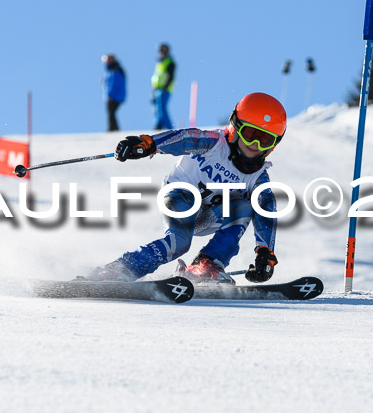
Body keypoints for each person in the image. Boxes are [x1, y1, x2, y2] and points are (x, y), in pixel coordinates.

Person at [90, 92, 286, 284]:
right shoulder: (214, 143)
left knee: (244, 206)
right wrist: (150, 144)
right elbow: (184, 138)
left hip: (208, 216)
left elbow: (266, 211)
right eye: (250, 134)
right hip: (180, 197)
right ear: (236, 128)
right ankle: (119, 269)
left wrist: (265, 253)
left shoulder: (258, 177)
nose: (255, 144)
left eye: (265, 140)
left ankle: (206, 265)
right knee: (179, 243)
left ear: (273, 145)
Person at [151, 43, 176, 130]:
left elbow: (171, 76)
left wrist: (165, 86)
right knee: (156, 109)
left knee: (162, 109)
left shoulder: (169, 62)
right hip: (157, 89)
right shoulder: (160, 62)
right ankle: (158, 126)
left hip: (164, 89)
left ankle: (170, 128)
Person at [101, 53, 126, 131]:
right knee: (111, 113)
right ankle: (114, 127)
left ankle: (112, 128)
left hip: (115, 96)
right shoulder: (110, 70)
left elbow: (115, 83)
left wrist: (110, 95)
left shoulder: (115, 70)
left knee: (111, 113)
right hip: (114, 96)